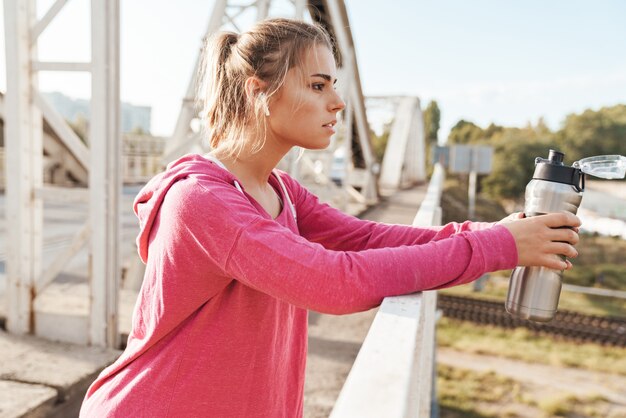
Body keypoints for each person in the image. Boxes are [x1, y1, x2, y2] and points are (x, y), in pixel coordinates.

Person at [80, 18, 580, 417]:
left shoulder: (279, 190)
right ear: (258, 91)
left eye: (335, 86)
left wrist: (493, 233)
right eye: (318, 85)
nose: (338, 102)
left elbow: (366, 238)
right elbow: (332, 283)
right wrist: (499, 249)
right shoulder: (203, 201)